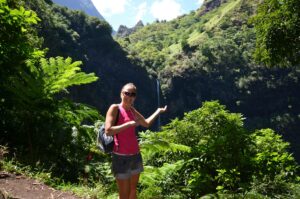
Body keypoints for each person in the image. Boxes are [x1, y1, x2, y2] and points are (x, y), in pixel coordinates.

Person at [105, 83, 167, 199]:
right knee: (124, 194)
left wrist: (158, 111)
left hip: (135, 156)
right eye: (127, 93)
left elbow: (146, 123)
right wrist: (128, 124)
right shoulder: (115, 108)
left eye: (132, 94)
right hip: (121, 157)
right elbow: (108, 131)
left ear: (135, 97)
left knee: (133, 191)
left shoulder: (132, 111)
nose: (129, 96)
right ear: (121, 94)